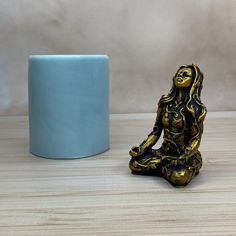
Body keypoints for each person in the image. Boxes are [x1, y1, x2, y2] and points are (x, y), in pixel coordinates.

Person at [129, 64, 207, 187]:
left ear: (194, 81)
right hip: (164, 152)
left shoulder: (195, 109)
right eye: (179, 74)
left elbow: (196, 139)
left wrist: (185, 155)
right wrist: (141, 148)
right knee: (134, 163)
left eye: (186, 75)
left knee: (179, 177)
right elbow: (156, 132)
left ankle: (163, 166)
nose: (180, 76)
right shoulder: (165, 103)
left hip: (184, 156)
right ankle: (163, 165)